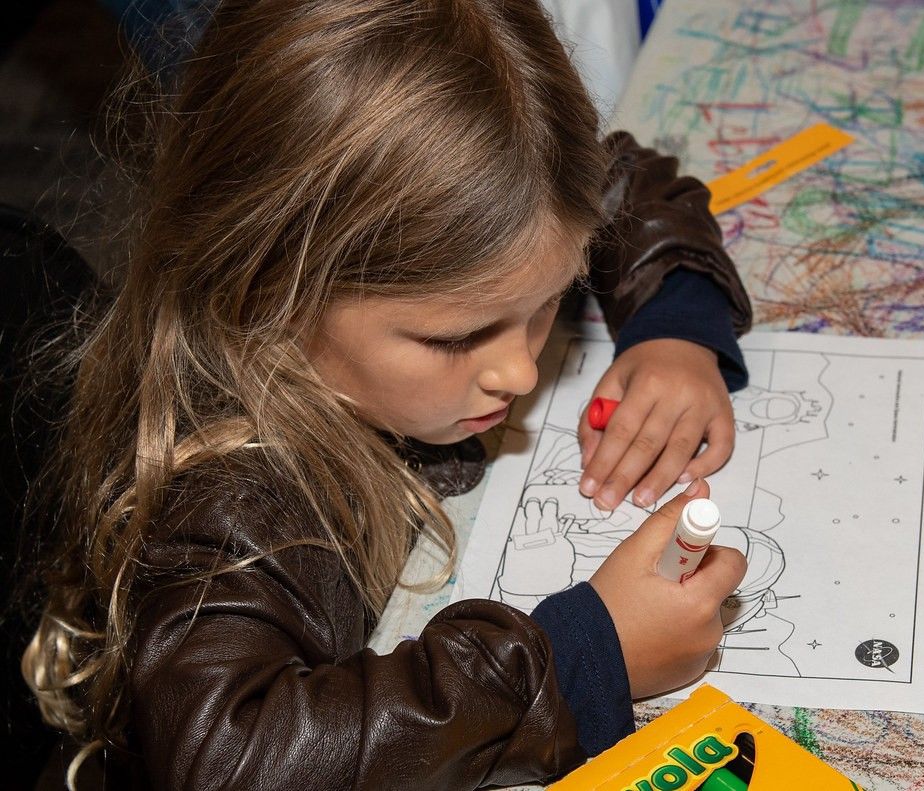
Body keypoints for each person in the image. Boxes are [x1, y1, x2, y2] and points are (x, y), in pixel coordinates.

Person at [21, 1, 751, 788]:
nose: (520, 373)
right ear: (273, 290)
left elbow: (622, 181)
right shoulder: (227, 494)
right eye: (455, 337)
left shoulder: (482, 227)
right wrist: (576, 658)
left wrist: (672, 327)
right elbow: (227, 760)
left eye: (545, 304)